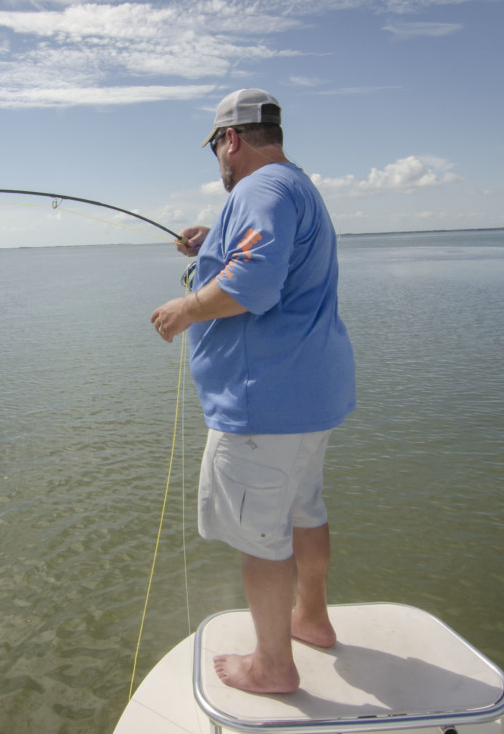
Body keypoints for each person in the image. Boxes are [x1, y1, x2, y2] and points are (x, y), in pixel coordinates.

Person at [151, 88, 356, 695]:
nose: (217, 157)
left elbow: (258, 281)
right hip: (307, 397)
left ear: (231, 140)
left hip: (262, 403)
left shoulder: (258, 190)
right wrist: (212, 242)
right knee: (303, 511)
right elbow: (259, 254)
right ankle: (311, 620)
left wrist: (185, 309)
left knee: (259, 536)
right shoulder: (294, 187)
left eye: (216, 144)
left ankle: (272, 665)